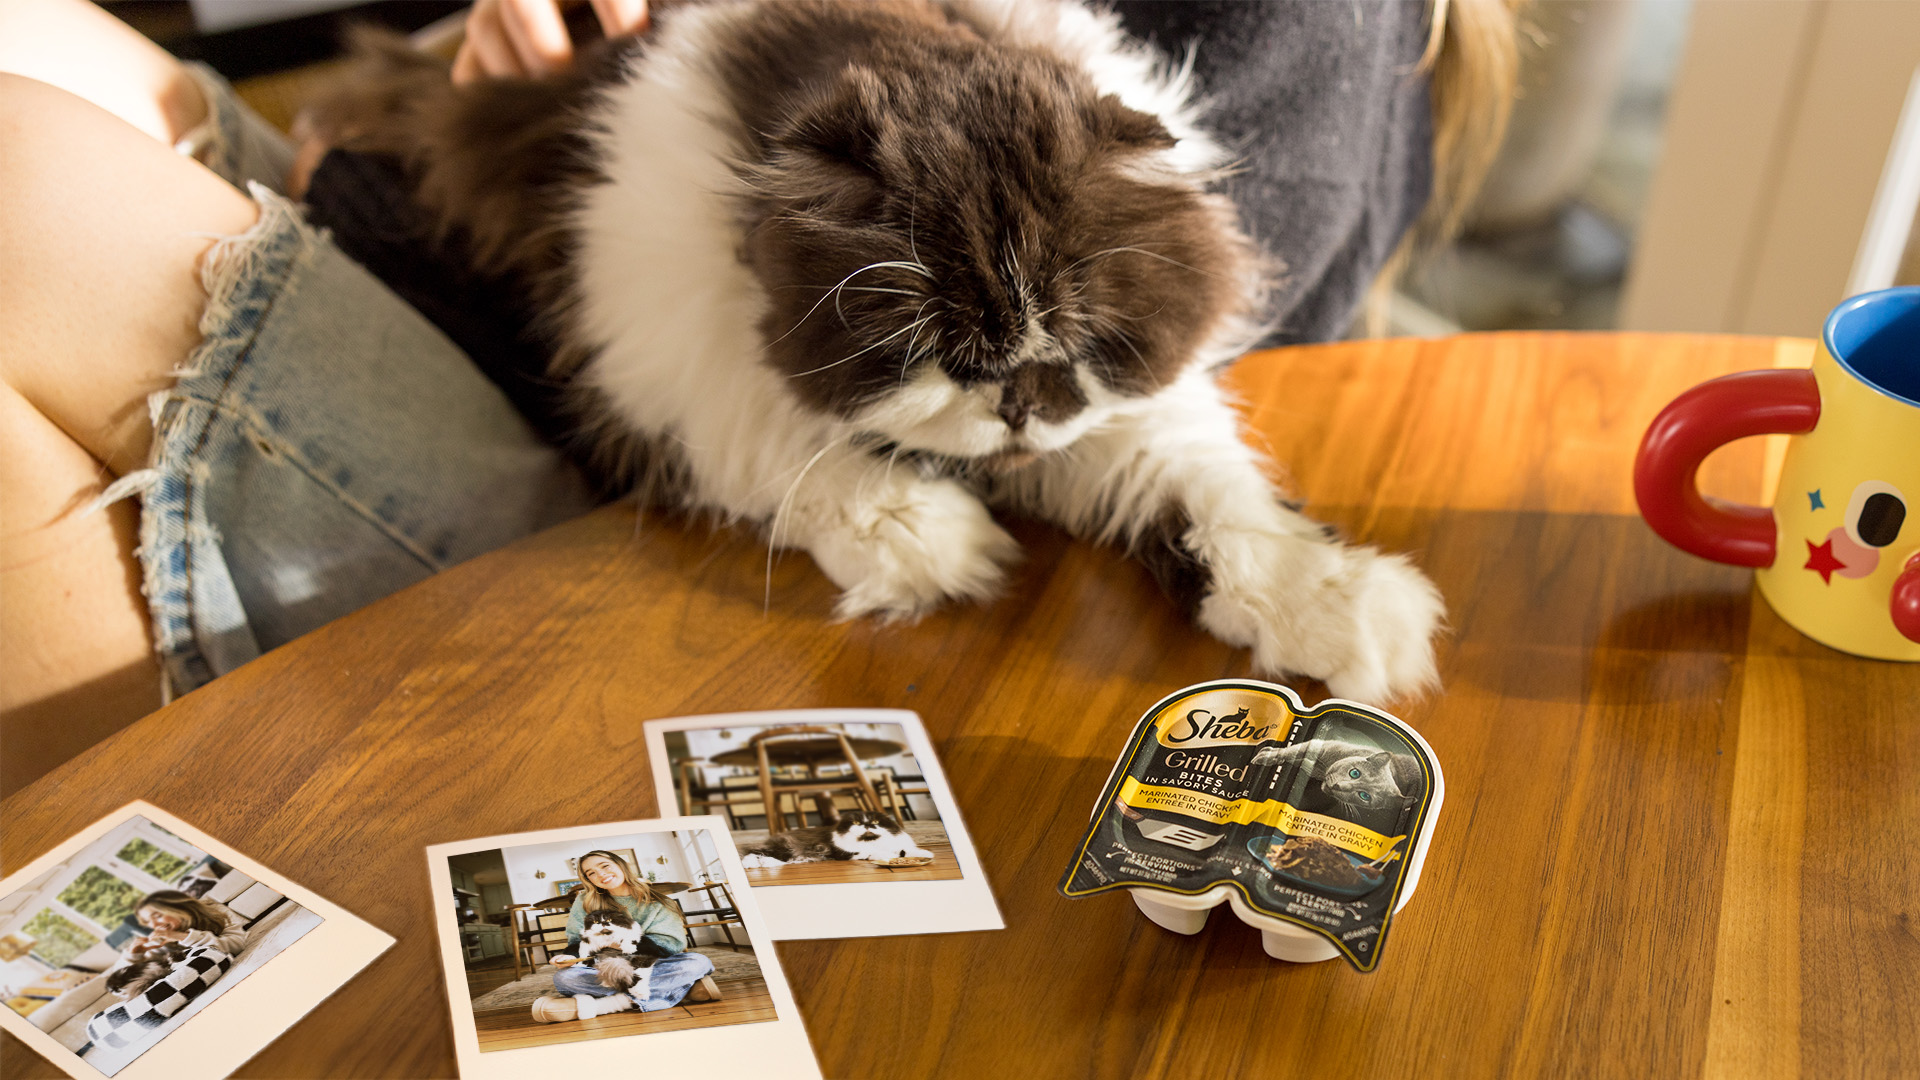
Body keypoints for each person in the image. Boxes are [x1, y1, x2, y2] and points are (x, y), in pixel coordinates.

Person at [0, 0, 1517, 791]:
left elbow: (1077, 417)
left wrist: (1255, 554)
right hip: (504, 270)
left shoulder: (1265, 54)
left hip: (656, 502)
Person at [531, 849, 718, 1022]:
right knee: (564, 978)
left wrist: (619, 943)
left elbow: (670, 946)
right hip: (606, 968)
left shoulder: (660, 902)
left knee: (697, 962)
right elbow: (576, 939)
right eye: (591, 873)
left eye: (605, 866)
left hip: (651, 965)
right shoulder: (584, 901)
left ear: (621, 865)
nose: (600, 874)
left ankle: (608, 1005)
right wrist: (570, 957)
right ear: (589, 880)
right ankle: (682, 989)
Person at [119, 889, 248, 960]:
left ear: (179, 908)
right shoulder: (163, 940)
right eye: (147, 921)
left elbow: (236, 946)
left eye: (158, 916)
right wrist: (135, 953)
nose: (153, 924)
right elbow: (149, 964)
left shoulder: (216, 913)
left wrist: (181, 936)